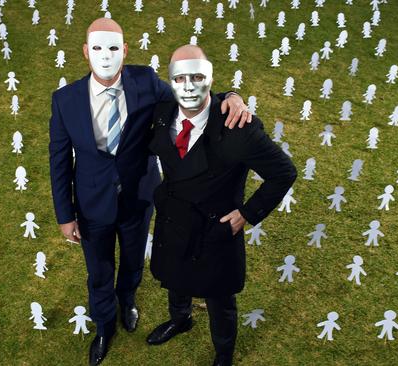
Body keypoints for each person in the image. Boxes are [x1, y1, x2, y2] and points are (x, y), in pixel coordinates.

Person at [48, 18, 251, 366]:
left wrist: (231, 97)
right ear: (85, 52)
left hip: (139, 198)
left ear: (125, 50)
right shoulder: (65, 100)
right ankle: (103, 326)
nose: (106, 56)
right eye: (97, 48)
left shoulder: (145, 82)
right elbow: (59, 160)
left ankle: (127, 301)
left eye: (114, 48)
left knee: (130, 260)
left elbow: (189, 94)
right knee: (98, 270)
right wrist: (65, 215)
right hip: (91, 203)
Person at [145, 45, 297, 366]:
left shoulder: (238, 128)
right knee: (175, 276)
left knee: (219, 299)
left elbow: (284, 172)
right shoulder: (161, 115)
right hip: (174, 218)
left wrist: (247, 214)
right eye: (180, 78)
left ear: (210, 79)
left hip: (214, 227)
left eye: (197, 77)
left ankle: (223, 353)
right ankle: (181, 318)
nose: (188, 86)